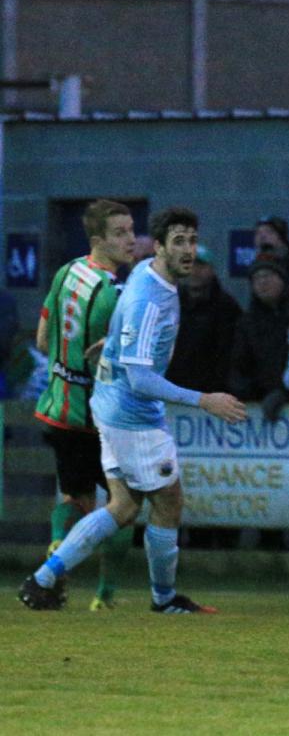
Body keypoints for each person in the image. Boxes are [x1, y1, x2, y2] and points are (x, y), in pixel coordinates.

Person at [19, 207, 247, 613]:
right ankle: (163, 599)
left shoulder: (145, 273)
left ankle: (42, 579)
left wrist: (111, 343)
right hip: (131, 412)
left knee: (123, 506)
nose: (188, 250)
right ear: (158, 246)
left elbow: (125, 326)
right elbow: (141, 379)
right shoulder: (149, 300)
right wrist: (204, 399)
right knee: (168, 500)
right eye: (178, 242)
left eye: (192, 241)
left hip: (109, 403)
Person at [33, 200, 137, 610]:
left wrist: (67, 368)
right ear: (97, 240)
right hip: (99, 418)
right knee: (125, 505)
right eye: (120, 234)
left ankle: (58, 543)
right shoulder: (115, 294)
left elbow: (43, 339)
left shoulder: (66, 273)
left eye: (131, 230)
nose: (131, 240)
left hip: (59, 408)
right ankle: (104, 596)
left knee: (75, 498)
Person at [166, 244, 242, 394]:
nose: (194, 271)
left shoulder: (227, 307)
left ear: (212, 270)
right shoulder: (169, 304)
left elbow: (230, 356)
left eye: (201, 266)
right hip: (173, 391)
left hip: (211, 394)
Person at [228, 254, 289, 421]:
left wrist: (284, 392)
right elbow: (239, 364)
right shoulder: (246, 323)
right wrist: (247, 393)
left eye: (268, 276)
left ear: (282, 279)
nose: (263, 282)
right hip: (257, 404)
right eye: (257, 278)